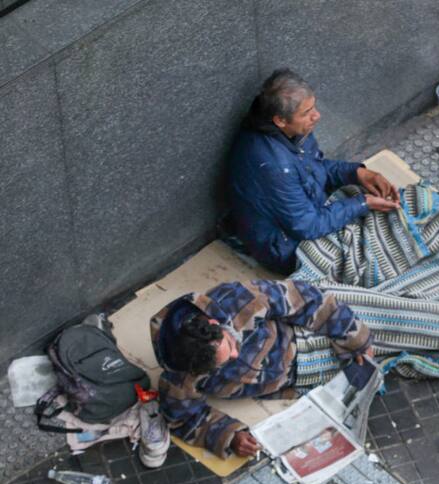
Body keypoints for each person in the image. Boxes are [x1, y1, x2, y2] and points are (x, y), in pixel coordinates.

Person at [149, 279, 371, 459]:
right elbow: (183, 416)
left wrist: (355, 335)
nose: (236, 355)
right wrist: (229, 436)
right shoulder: (179, 376)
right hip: (295, 381)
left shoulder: (238, 300)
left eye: (229, 345)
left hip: (305, 334)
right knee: (352, 386)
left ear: (215, 324)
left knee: (379, 338)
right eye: (224, 361)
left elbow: (306, 299)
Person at [227, 68, 400, 274]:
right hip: (282, 246)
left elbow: (313, 169)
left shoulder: (293, 130)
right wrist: (363, 203)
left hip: (305, 210)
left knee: (391, 218)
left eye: (313, 107)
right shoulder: (272, 165)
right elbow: (307, 226)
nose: (316, 116)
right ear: (280, 120)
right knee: (374, 259)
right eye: (307, 113)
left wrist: (356, 173)